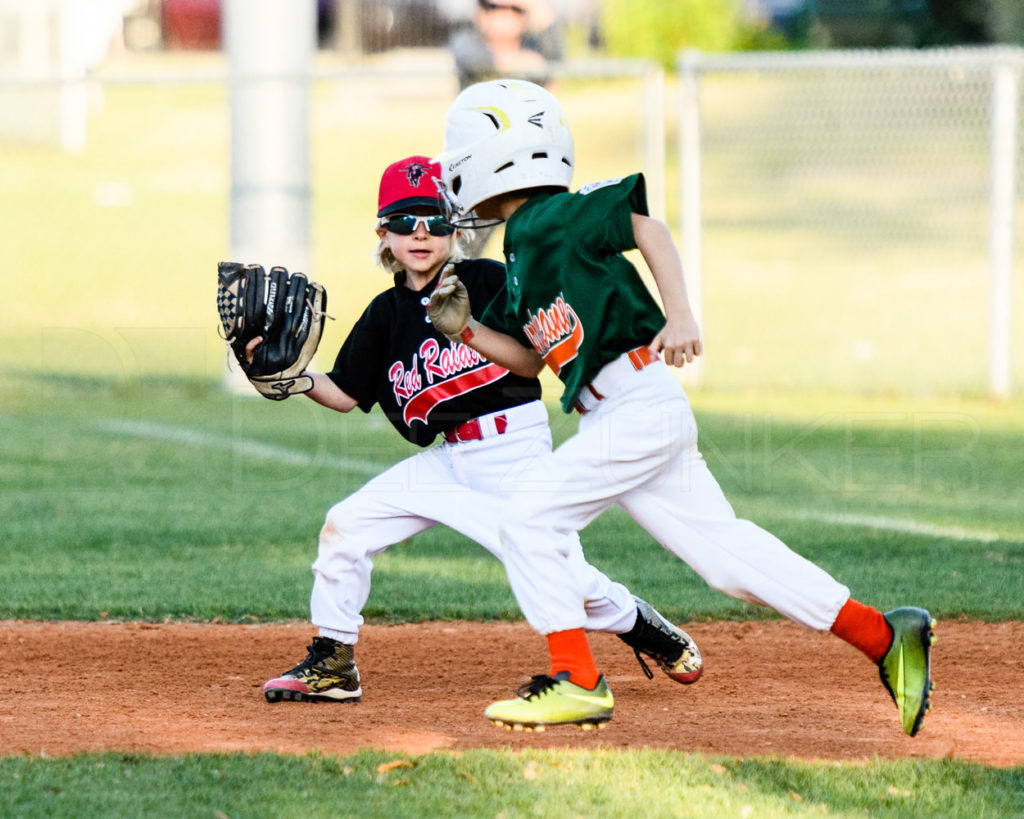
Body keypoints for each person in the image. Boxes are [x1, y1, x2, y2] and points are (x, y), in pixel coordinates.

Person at [428, 80, 936, 735]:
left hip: (636, 400)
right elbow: (529, 359)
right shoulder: (522, 245)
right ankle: (885, 636)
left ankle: (576, 678)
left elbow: (646, 225)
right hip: (624, 413)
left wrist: (682, 314)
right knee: (727, 559)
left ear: (493, 157)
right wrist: (465, 330)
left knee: (528, 517)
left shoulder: (554, 216)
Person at [255, 154, 704, 708]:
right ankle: (333, 663)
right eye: (405, 221)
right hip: (449, 460)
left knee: (560, 574)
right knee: (346, 526)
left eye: (435, 219)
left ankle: (635, 621)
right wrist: (290, 377)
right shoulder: (383, 315)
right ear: (383, 234)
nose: (421, 234)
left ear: (456, 227)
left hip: (514, 447)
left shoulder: (489, 279)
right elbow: (346, 393)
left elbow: (533, 356)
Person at [449, 0, 564, 90]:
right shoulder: (468, 40)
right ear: (482, 13)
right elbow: (470, 58)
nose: (507, 13)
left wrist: (539, 8)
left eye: (516, 9)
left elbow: (557, 65)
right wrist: (521, 62)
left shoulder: (532, 44)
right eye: (495, 7)